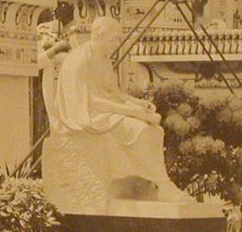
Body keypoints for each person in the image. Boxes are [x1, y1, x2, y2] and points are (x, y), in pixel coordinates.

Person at [44, 15, 190, 209]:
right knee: (140, 130)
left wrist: (138, 104)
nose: (117, 43)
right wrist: (129, 111)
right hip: (86, 115)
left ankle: (154, 183)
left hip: (104, 111)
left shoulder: (103, 59)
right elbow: (88, 101)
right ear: (100, 36)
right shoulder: (79, 60)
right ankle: (163, 184)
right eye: (114, 38)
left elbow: (114, 92)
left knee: (155, 129)